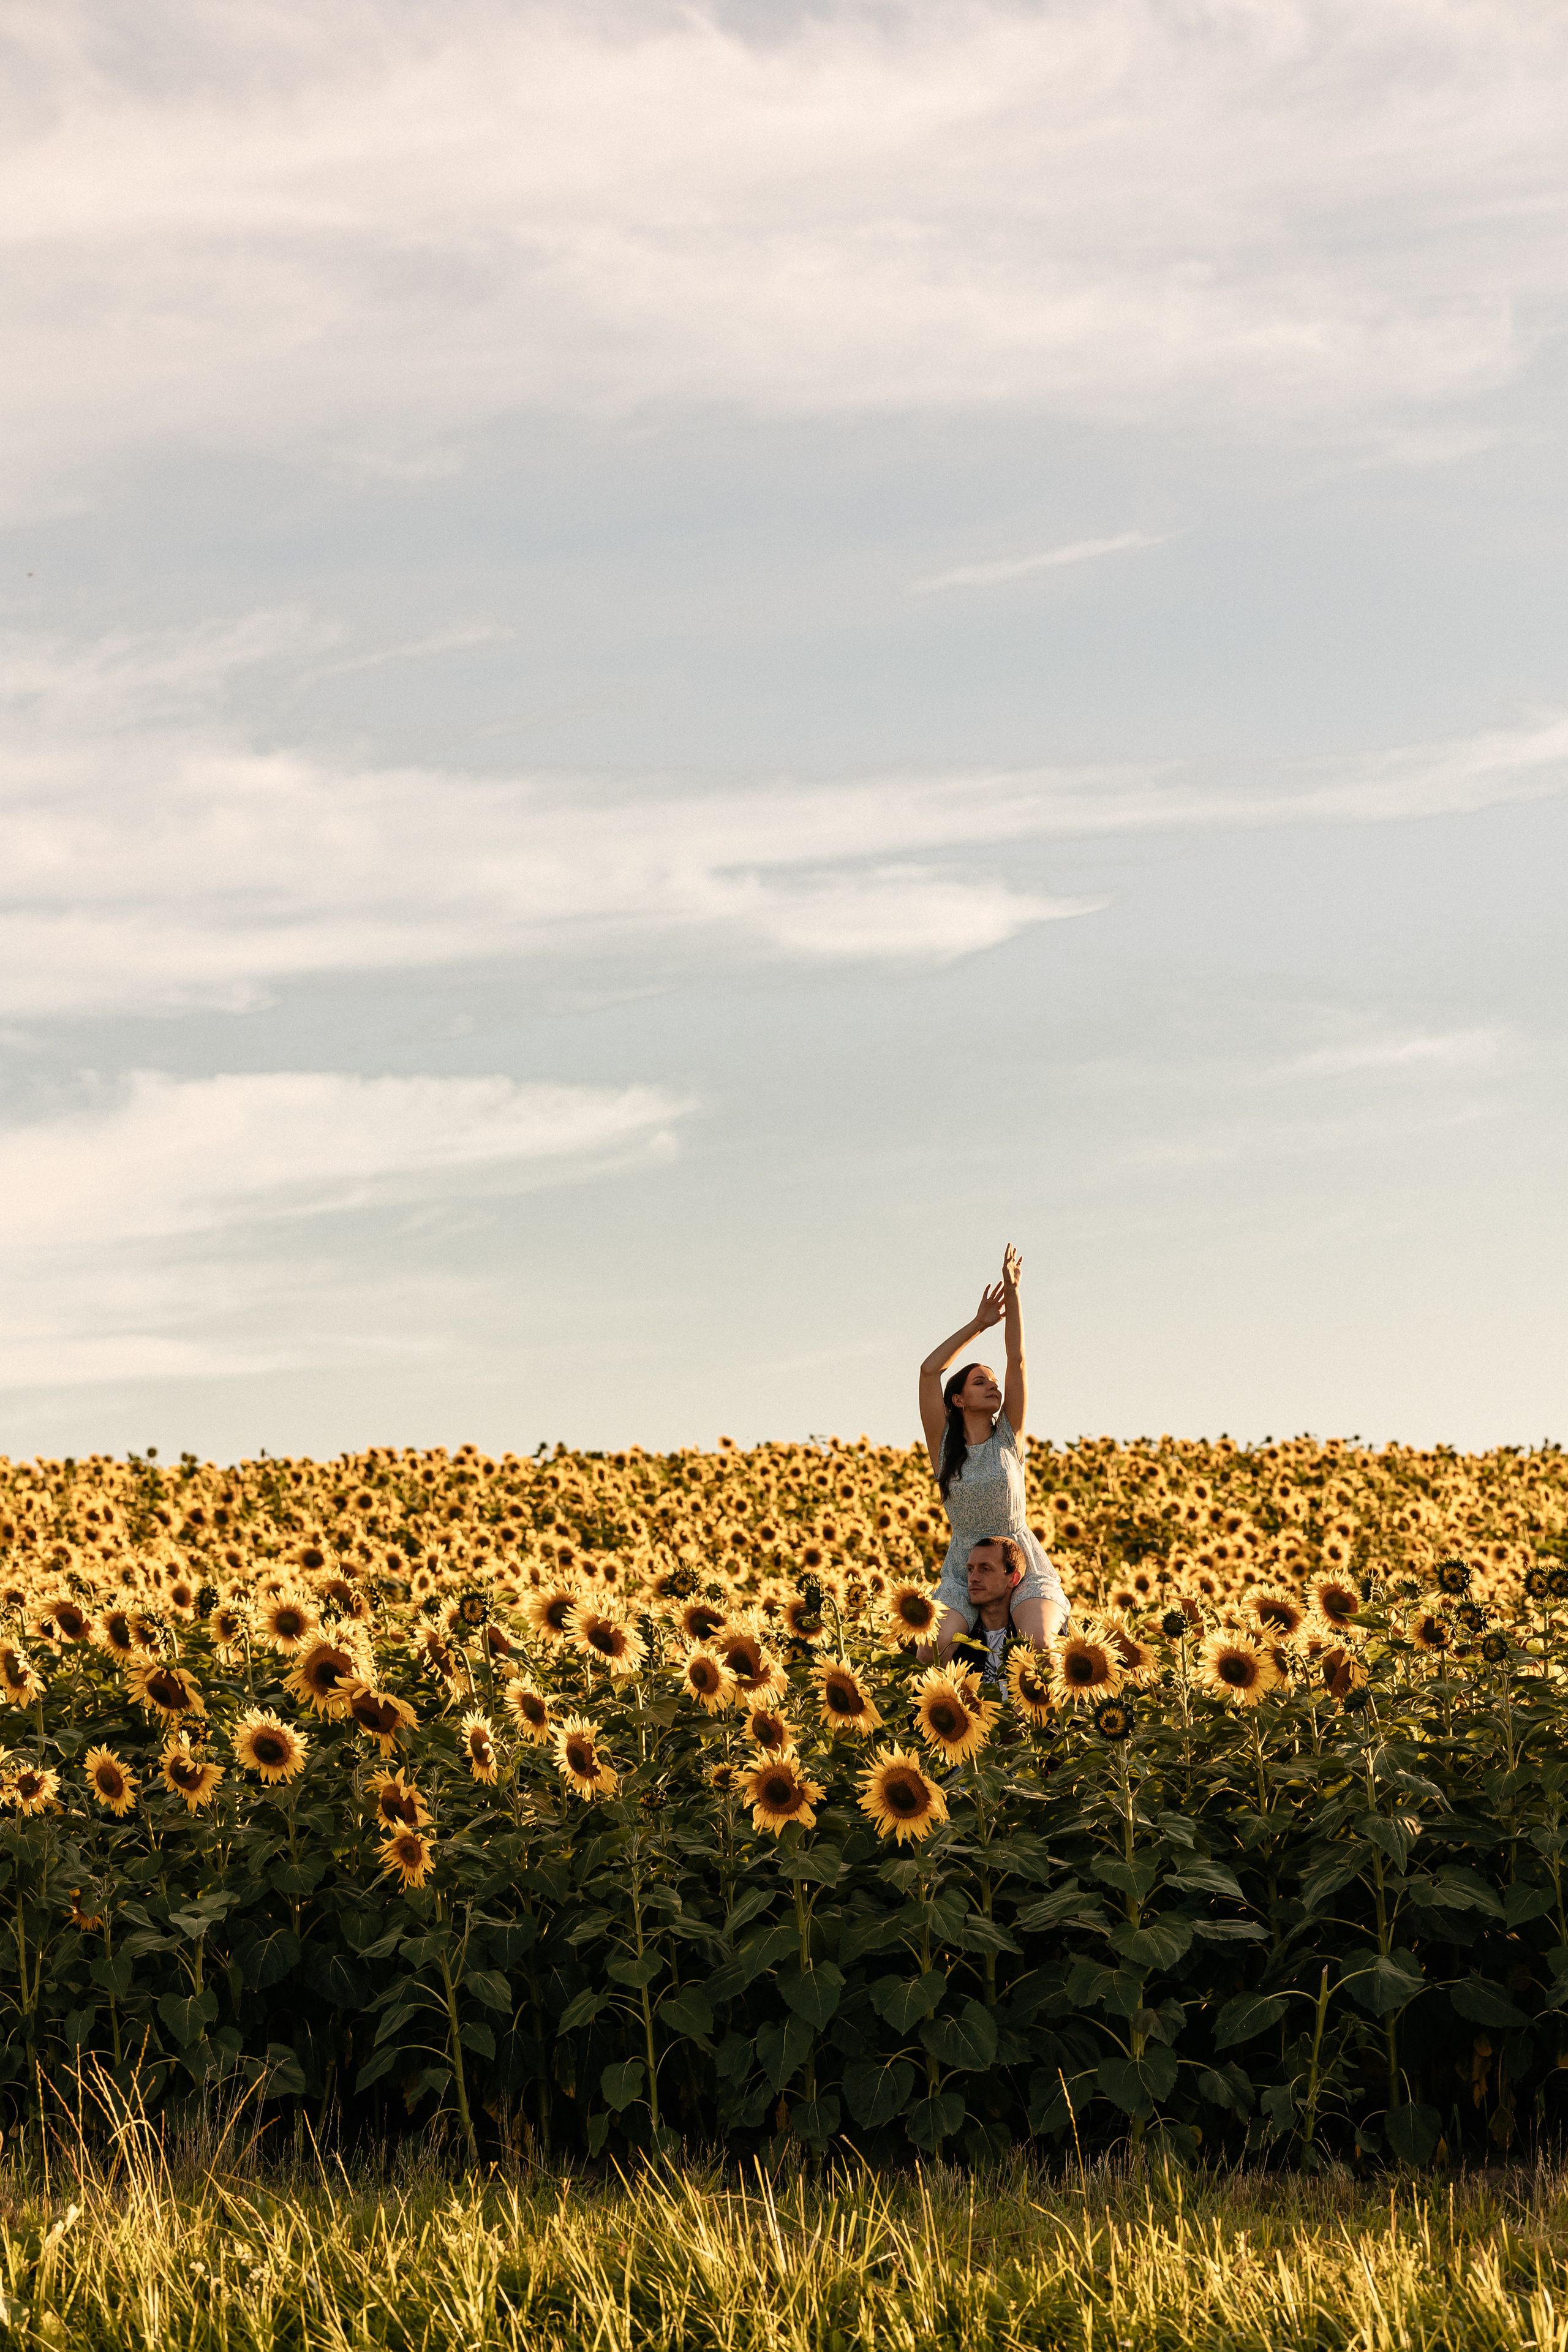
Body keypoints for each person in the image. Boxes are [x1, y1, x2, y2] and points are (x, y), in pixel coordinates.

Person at [918, 1245, 1066, 1659]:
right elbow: (930, 1371)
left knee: (1040, 1645)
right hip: (964, 1570)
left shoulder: (1009, 1438)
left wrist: (1014, 1293)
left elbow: (1017, 1359)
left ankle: (1038, 1725)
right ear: (959, 1400)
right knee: (933, 1649)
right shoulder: (944, 1445)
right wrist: (979, 1324)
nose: (993, 1385)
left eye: (993, 1382)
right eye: (980, 1382)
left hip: (1019, 1562)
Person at [950, 1537, 1029, 1685]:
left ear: (1013, 1578)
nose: (973, 1578)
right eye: (970, 1570)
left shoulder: (1027, 1640)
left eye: (985, 1569)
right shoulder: (958, 1643)